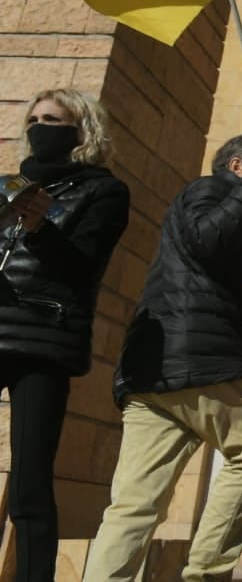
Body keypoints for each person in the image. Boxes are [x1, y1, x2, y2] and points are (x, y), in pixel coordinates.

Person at [84, 133, 242, 581]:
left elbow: (218, 287)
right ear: (237, 166)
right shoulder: (210, 189)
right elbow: (204, 241)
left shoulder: (225, 205)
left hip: (154, 373)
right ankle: (205, 575)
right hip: (198, 363)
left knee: (133, 506)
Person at [0, 88, 130, 582]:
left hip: (43, 340)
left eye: (51, 119)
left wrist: (40, 228)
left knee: (30, 482)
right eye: (32, 118)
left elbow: (84, 267)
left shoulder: (102, 189)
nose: (38, 127)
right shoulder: (8, 182)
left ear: (81, 130)